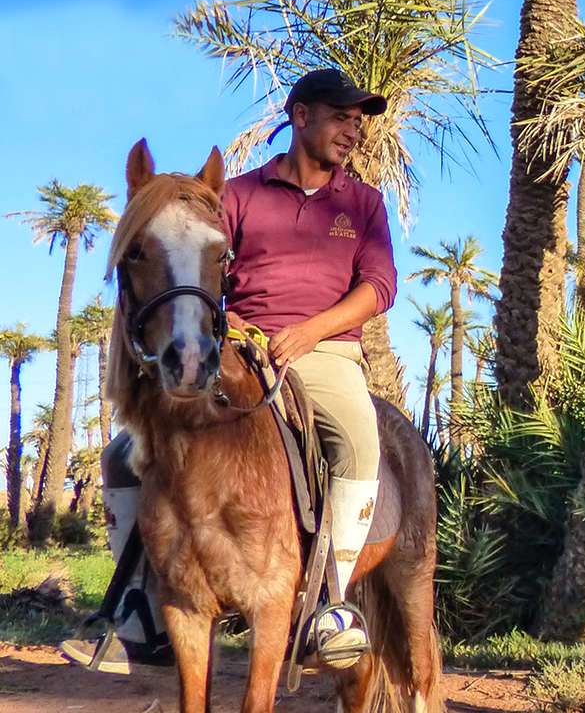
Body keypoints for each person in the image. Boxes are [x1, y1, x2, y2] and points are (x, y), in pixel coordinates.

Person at [61, 68, 398, 673]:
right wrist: (235, 324)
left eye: (357, 121)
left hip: (323, 351)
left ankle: (329, 606)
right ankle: (138, 609)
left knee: (357, 438)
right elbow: (203, 271)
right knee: (119, 458)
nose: (352, 131)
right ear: (301, 117)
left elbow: (378, 287)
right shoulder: (240, 194)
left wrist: (310, 331)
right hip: (240, 346)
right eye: (340, 117)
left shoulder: (363, 203)